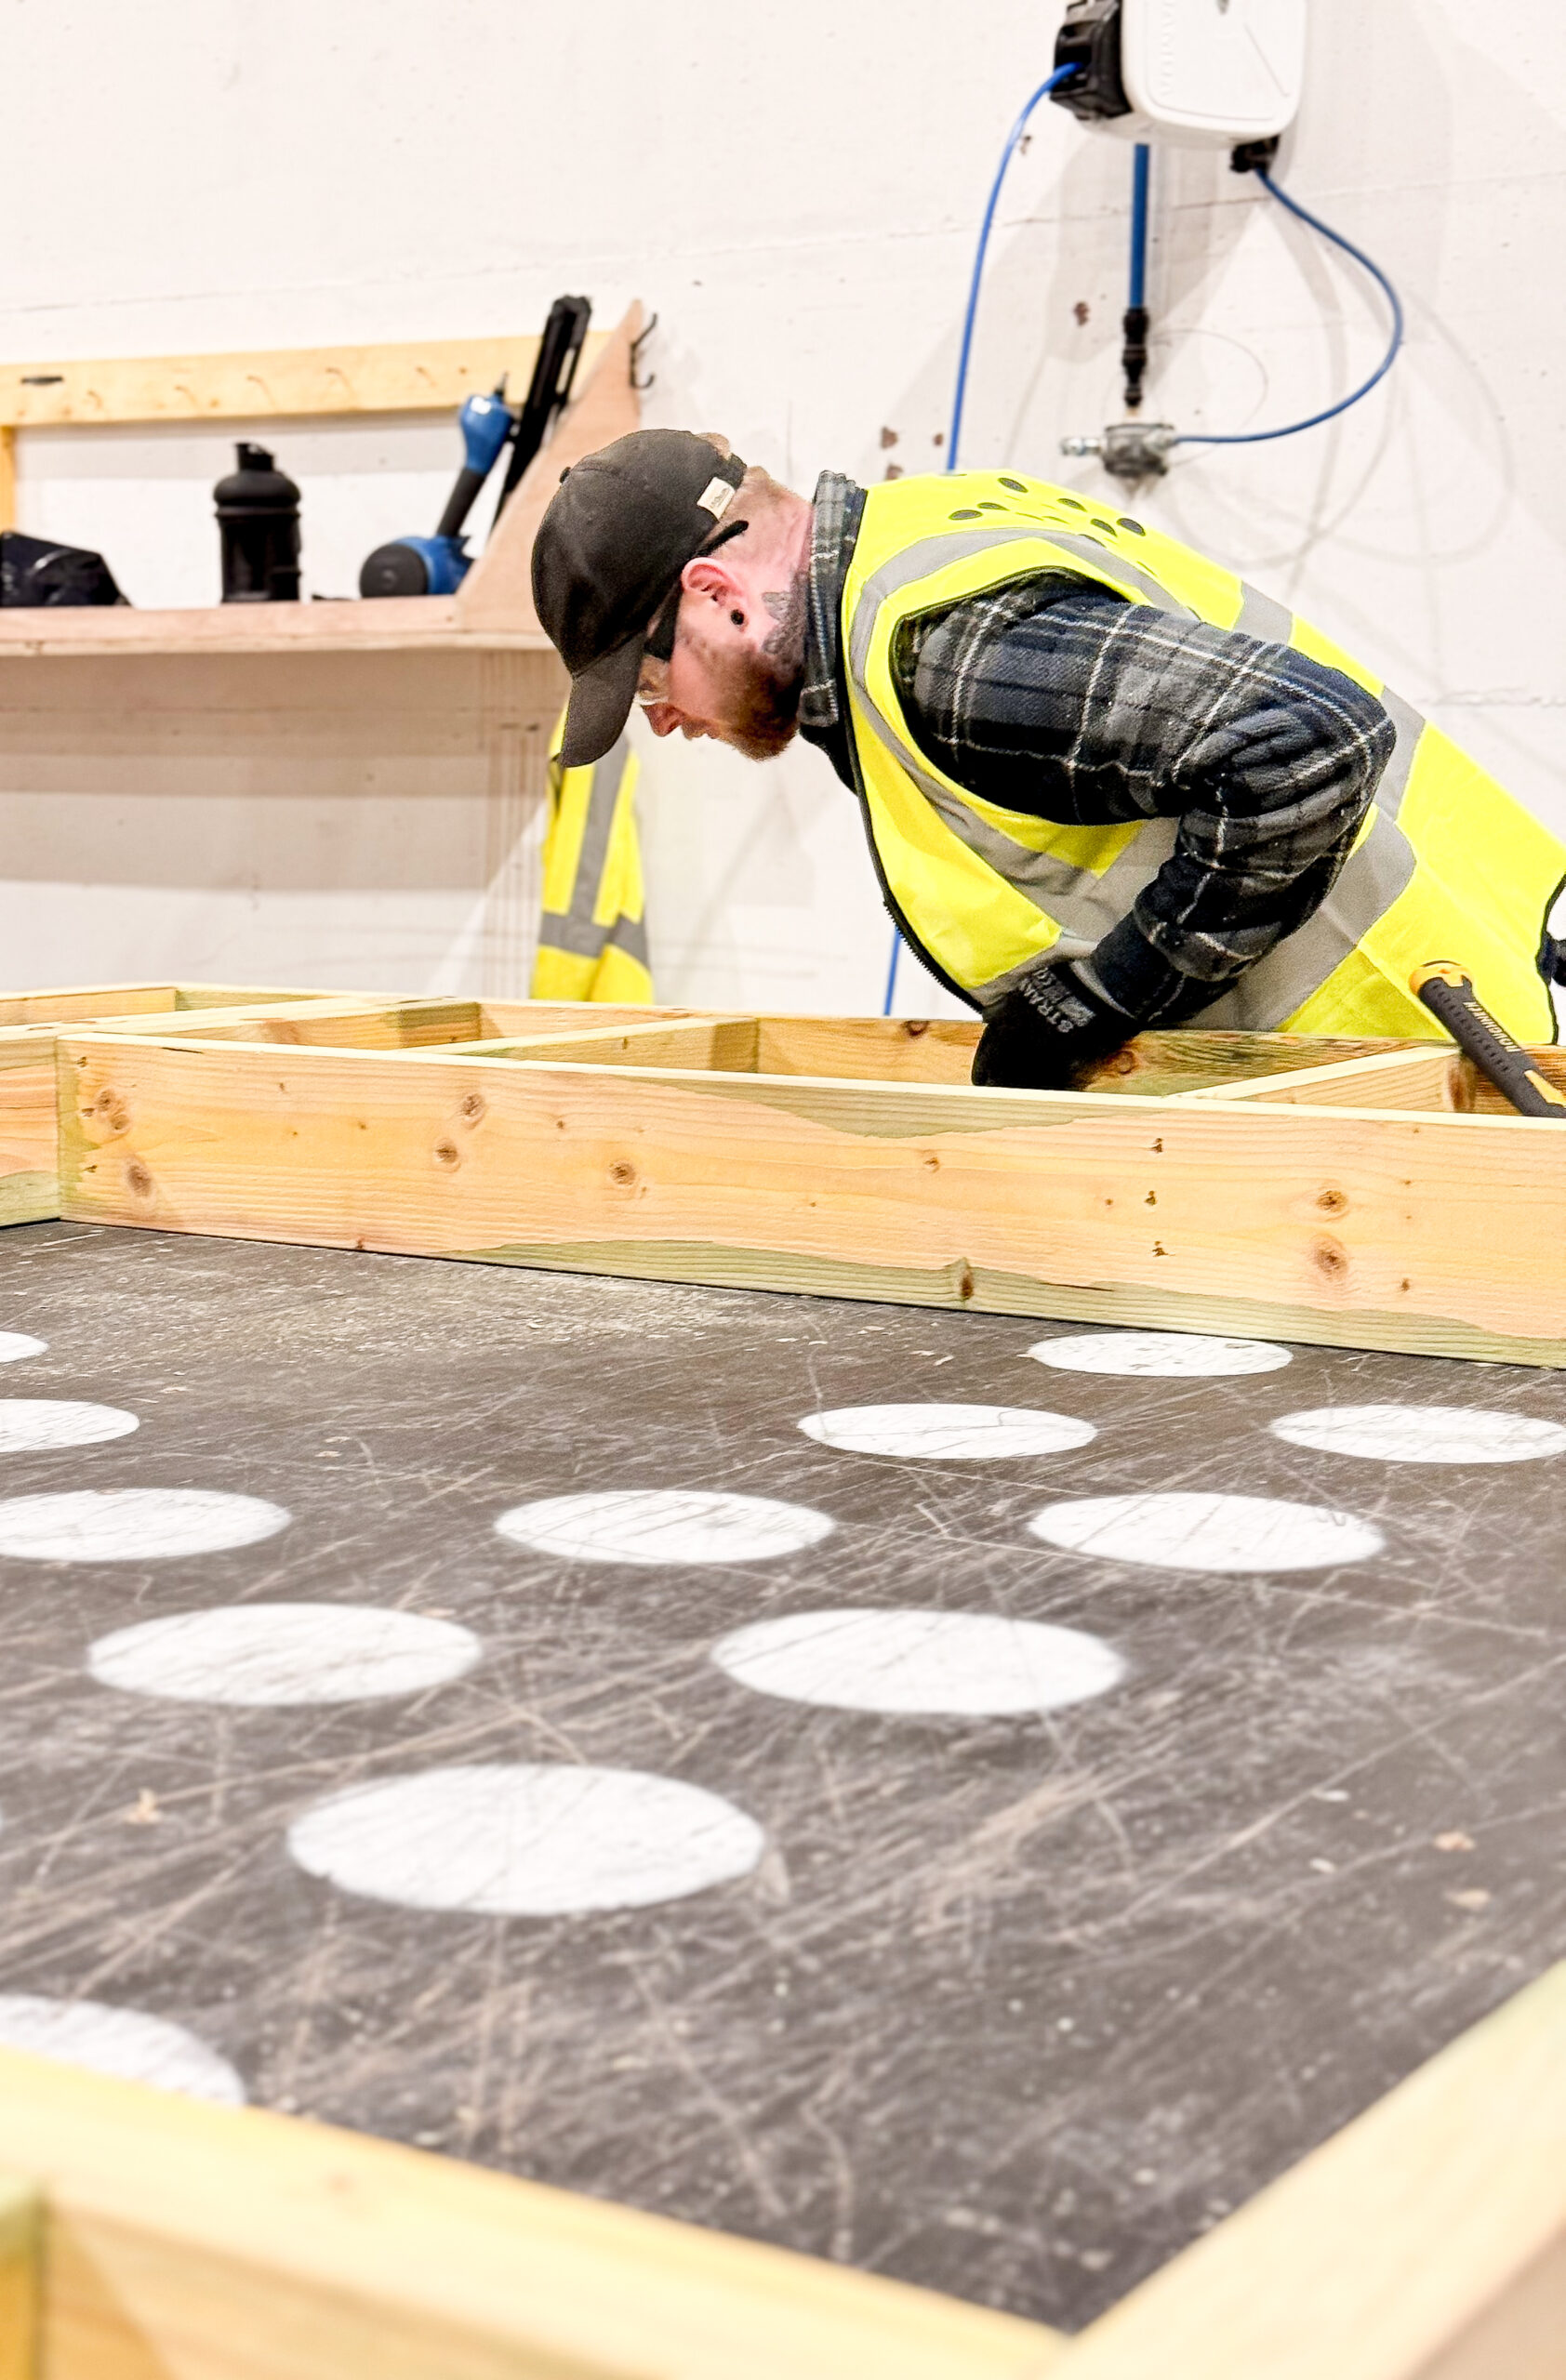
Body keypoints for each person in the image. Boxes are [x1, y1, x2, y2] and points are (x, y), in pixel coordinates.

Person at [531, 428, 1566, 1088]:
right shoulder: (929, 526)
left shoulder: (931, 646)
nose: (661, 722)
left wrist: (1100, 1001)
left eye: (652, 685)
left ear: (717, 594)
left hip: (1429, 1064)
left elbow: (1307, 743)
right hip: (1449, 1024)